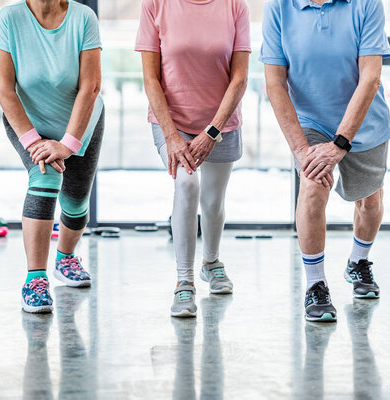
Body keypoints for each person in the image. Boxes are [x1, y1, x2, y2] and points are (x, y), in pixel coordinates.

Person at [261, 0, 390, 322]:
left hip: (363, 121)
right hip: (310, 121)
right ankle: (315, 284)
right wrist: (302, 151)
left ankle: (358, 262)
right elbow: (275, 83)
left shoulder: (365, 5)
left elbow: (370, 78)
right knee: (312, 186)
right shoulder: (279, 7)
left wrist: (341, 142)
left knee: (369, 200)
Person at [136, 0, 251, 317]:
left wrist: (212, 131)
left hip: (221, 123)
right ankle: (184, 282)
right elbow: (150, 79)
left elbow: (239, 78)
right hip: (172, 123)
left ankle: (211, 261)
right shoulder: (156, 5)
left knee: (213, 202)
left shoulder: (234, 6)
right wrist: (172, 136)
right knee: (187, 186)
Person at [0, 0, 104, 313]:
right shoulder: (9, 18)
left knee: (76, 201)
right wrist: (34, 142)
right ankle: (35, 279)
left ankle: (65, 257)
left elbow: (91, 87)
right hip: (28, 120)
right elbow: (3, 88)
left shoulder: (84, 18)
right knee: (45, 174)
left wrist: (67, 143)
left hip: (80, 120)